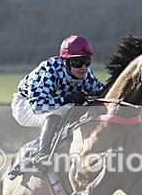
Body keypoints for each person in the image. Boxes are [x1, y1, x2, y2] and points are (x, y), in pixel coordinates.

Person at [11, 34, 106, 168]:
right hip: (25, 105)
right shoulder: (49, 71)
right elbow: (38, 106)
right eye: (77, 62)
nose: (83, 67)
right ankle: (42, 156)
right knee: (59, 111)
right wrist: (68, 98)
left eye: (87, 61)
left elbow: (103, 95)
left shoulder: (86, 74)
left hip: (51, 105)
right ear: (65, 61)